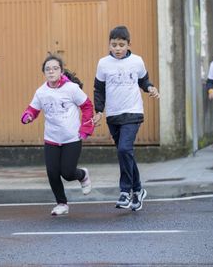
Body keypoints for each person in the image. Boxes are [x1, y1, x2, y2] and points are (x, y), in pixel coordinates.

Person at [92, 25, 160, 211]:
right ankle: (138, 190)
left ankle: (125, 191)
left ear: (129, 44)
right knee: (126, 153)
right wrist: (99, 111)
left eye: (121, 45)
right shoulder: (103, 63)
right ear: (109, 45)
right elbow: (99, 89)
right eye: (114, 45)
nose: (118, 48)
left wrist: (150, 88)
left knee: (124, 149)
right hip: (113, 115)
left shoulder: (137, 61)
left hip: (133, 112)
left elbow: (143, 81)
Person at [20, 54, 94, 216]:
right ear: (44, 73)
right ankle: (61, 203)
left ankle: (82, 175)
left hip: (72, 138)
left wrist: (86, 127)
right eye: (48, 69)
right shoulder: (41, 92)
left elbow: (87, 106)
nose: (51, 71)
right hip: (52, 138)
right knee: (52, 172)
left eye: (55, 68)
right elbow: (33, 109)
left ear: (61, 71)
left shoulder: (72, 89)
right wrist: (28, 116)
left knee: (67, 173)